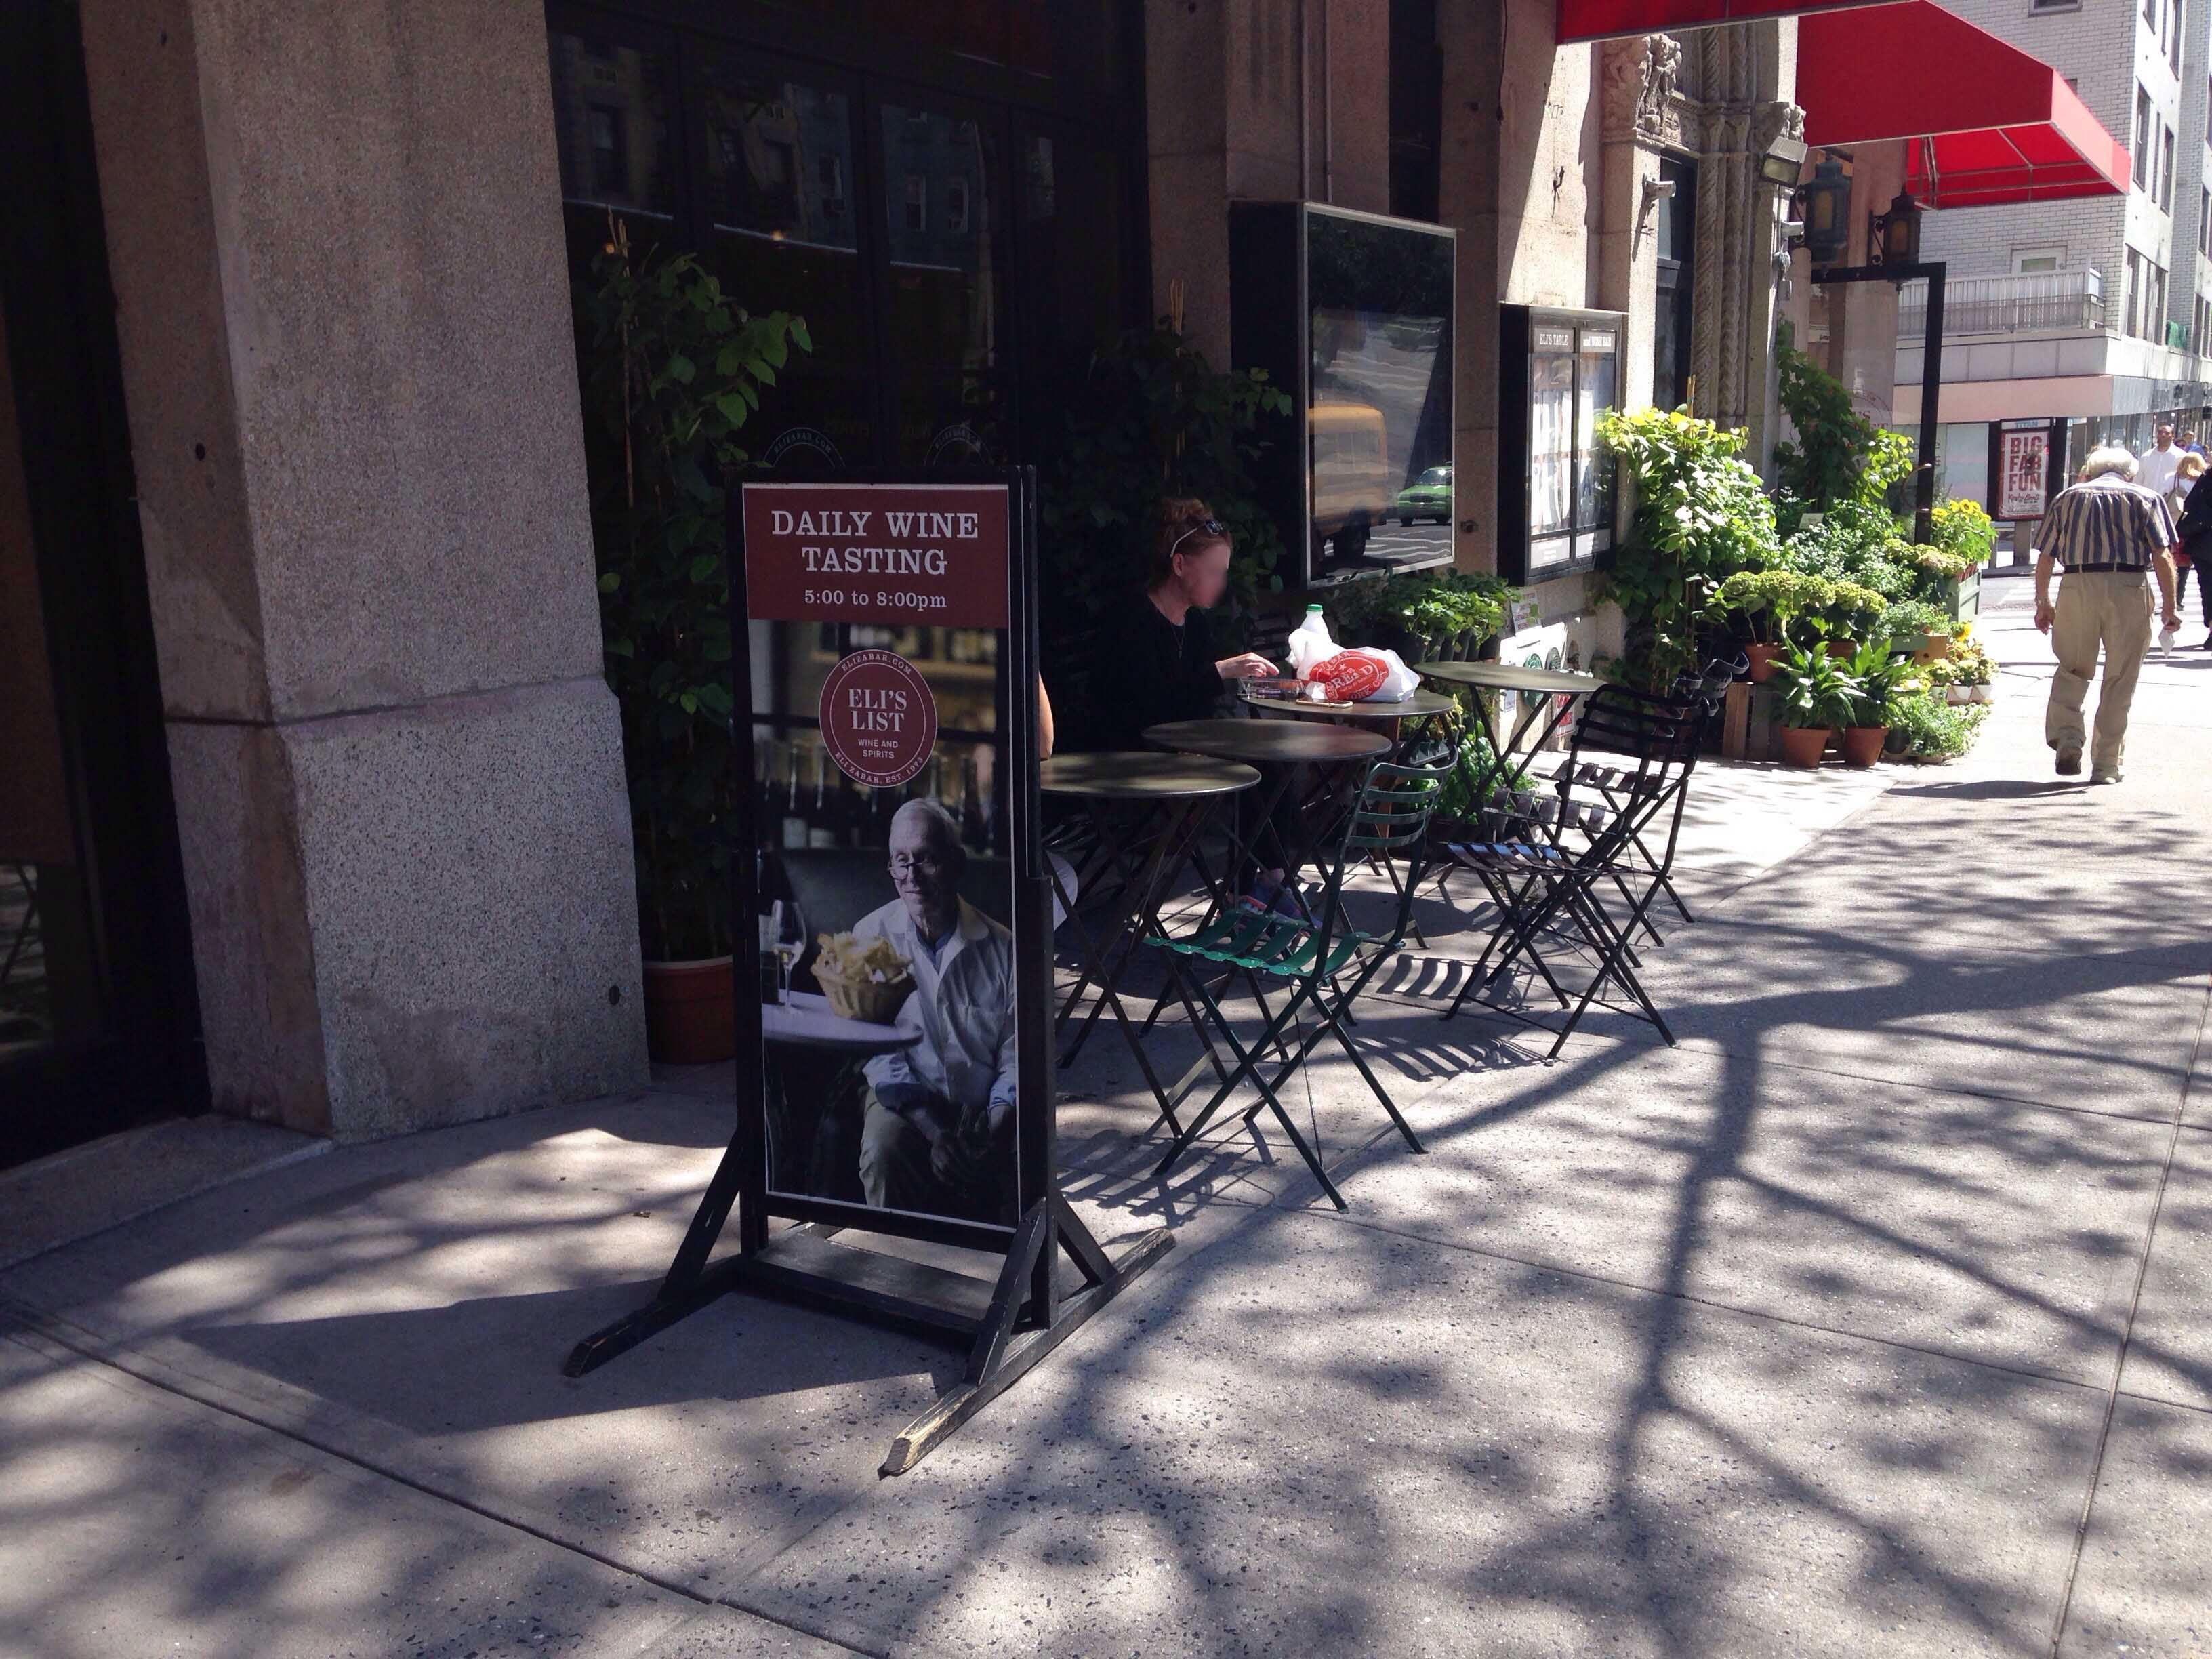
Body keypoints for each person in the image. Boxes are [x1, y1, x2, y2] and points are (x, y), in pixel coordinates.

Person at [853, 798, 1019, 1225]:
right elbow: (880, 1056)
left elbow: (1017, 1058)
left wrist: (995, 1129)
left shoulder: (1004, 947)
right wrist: (936, 1133)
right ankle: (893, 1266)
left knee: (1007, 1167)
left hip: (982, 1105)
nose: (912, 877)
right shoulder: (869, 936)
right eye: (901, 861)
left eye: (926, 859)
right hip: (905, 1097)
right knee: (881, 1151)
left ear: (956, 863)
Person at [2032, 445, 2184, 783]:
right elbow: (2161, 556)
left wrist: (2043, 602)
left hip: (2077, 583)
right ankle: (2106, 765)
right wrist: (2170, 607)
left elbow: (2045, 557)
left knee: (2072, 666)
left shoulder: (2067, 498)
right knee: (2121, 675)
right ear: (2130, 472)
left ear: (2093, 469)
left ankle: (2069, 736)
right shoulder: (2144, 498)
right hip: (2129, 585)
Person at [1090, 498, 1277, 749]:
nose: (1221, 582)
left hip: (1183, 752)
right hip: (1131, 757)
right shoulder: (1132, 620)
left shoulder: (1195, 622)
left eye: (1224, 572)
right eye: (1213, 571)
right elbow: (1150, 710)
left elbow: (1198, 709)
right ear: (1179, 565)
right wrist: (1220, 672)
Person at [2173, 451, 2212, 642]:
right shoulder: (2205, 479)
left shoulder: (2205, 480)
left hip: (2205, 544)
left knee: (2207, 586)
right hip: (2205, 544)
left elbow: (2190, 506)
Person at [2173, 451, 2205, 615]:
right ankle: (2179, 598)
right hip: (2196, 528)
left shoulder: (2172, 478)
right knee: (2187, 566)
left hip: (2175, 525)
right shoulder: (2202, 479)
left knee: (2176, 563)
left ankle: (2173, 598)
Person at [2135, 424, 2182, 503]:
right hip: (2146, 501)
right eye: (2160, 433)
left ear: (2172, 437)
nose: (2163, 435)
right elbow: (2138, 480)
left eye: (2167, 433)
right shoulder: (2146, 457)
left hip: (2168, 503)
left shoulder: (2180, 457)